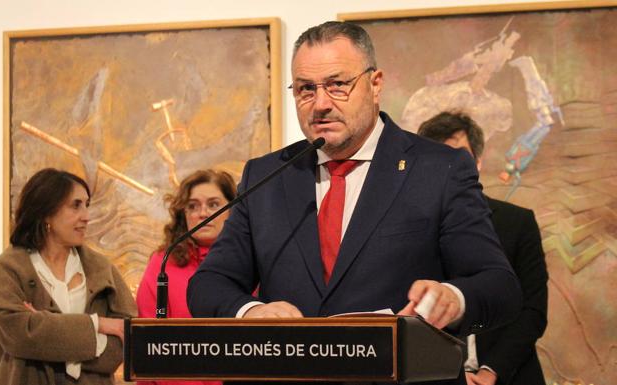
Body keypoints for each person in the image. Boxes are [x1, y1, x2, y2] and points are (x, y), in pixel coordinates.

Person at [188, 21, 522, 385]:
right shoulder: (267, 176)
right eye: (305, 89)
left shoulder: (439, 169)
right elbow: (209, 284)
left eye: (337, 85)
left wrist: (454, 298)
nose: (320, 104)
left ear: (375, 84)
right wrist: (250, 312)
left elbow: (499, 286)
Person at [418, 111, 548, 385]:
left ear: (477, 162)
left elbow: (533, 311)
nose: (447, 167)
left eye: (457, 157)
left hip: (509, 376)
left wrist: (491, 371)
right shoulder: (409, 229)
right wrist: (452, 373)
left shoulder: (518, 222)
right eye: (436, 158)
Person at [0, 168, 137, 385]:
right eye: (76, 205)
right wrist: (99, 325)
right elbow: (20, 337)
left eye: (87, 205)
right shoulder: (7, 269)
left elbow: (123, 343)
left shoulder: (102, 269)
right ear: (46, 212)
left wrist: (46, 330)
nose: (86, 216)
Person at [136, 169, 236, 385]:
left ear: (232, 209)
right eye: (193, 206)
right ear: (183, 215)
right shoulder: (163, 263)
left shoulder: (252, 262)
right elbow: (148, 341)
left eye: (213, 204)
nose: (202, 213)